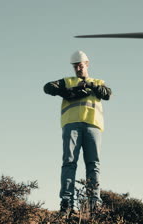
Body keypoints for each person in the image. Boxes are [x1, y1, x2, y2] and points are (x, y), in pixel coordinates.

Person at [44, 51, 112, 216]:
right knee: (69, 162)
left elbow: (107, 94)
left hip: (93, 126)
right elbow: (48, 87)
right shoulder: (67, 82)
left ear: (87, 64)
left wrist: (91, 86)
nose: (78, 68)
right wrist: (69, 92)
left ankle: (94, 204)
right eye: (75, 66)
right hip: (71, 125)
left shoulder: (97, 82)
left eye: (80, 65)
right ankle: (67, 203)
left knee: (93, 164)